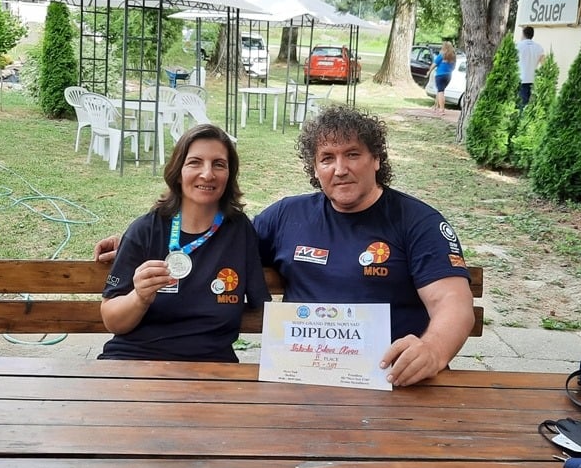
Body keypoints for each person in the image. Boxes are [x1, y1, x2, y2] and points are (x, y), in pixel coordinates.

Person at [95, 106, 475, 387]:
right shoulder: (287, 216)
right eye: (327, 158)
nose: (340, 168)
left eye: (352, 154)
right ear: (315, 168)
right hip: (304, 374)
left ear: (376, 159)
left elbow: (453, 304)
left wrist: (432, 350)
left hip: (388, 376)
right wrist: (138, 242)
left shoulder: (416, 221)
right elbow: (219, 241)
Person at [97, 123, 270, 363]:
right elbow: (112, 321)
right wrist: (139, 297)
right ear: (178, 172)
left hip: (210, 364)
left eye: (219, 164)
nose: (207, 174)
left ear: (229, 175)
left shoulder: (240, 232)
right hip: (136, 359)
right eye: (195, 162)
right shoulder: (146, 230)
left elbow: (265, 302)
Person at [517, 26, 545, 108]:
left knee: (518, 106)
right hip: (532, 80)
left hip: (519, 80)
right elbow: (544, 64)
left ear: (523, 34)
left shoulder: (518, 46)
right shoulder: (539, 47)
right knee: (527, 106)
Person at [427, 41, 457, 113]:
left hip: (440, 75)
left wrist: (429, 72)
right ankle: (436, 106)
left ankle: (441, 109)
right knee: (440, 90)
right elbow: (454, 67)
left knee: (441, 91)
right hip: (448, 76)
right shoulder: (453, 56)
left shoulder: (442, 55)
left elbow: (434, 64)